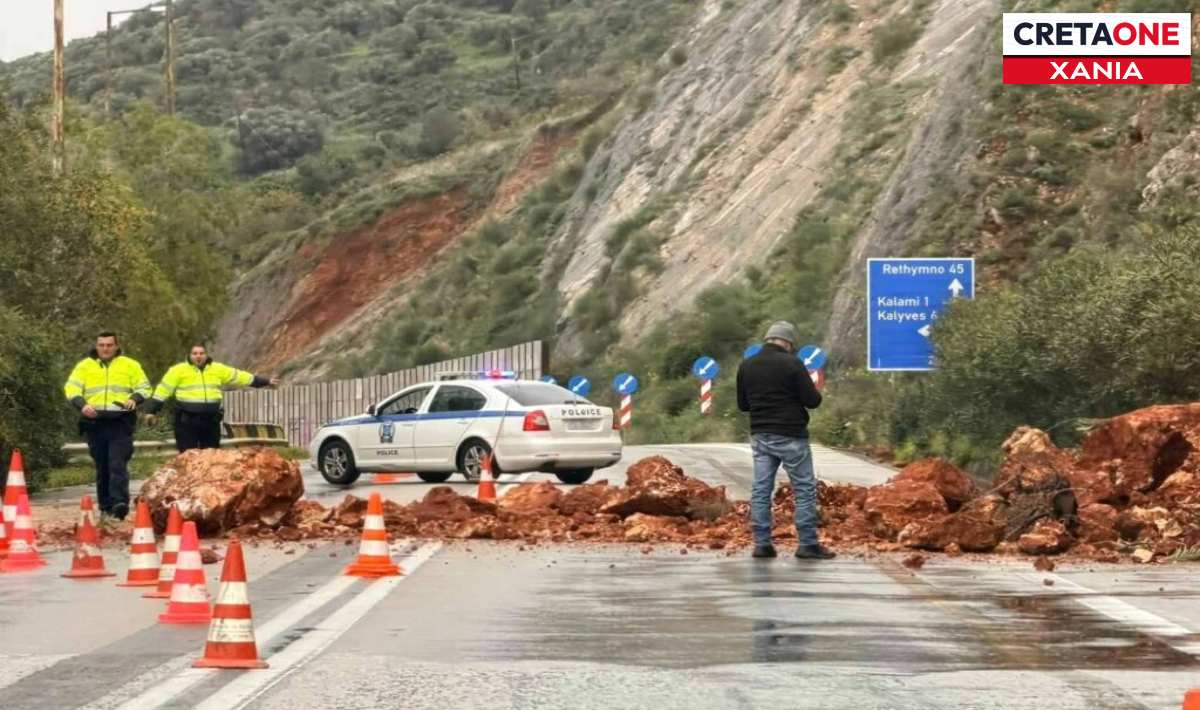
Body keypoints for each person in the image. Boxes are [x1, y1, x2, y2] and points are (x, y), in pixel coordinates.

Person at [736, 321, 835, 560]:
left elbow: (743, 405)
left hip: (761, 435)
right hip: (791, 435)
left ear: (767, 339)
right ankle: (808, 544)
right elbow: (812, 401)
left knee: (761, 489)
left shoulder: (747, 365)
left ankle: (762, 544)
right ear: (788, 343)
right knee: (804, 489)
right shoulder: (793, 363)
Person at [63, 332, 152, 521]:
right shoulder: (85, 366)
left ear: (116, 346)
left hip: (120, 422)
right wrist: (82, 405)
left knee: (117, 463)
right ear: (97, 346)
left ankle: (119, 503)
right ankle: (105, 507)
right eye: (101, 345)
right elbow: (71, 388)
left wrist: (134, 399)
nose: (105, 349)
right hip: (95, 423)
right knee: (102, 466)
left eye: (109, 345)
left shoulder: (130, 365)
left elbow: (145, 388)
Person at [143, 344, 279, 452]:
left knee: (211, 458)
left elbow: (241, 377)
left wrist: (266, 381)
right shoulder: (178, 371)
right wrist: (151, 411)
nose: (198, 356)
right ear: (189, 355)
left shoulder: (218, 369)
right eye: (195, 353)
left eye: (201, 353)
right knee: (188, 458)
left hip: (211, 421)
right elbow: (162, 391)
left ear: (206, 355)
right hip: (187, 422)